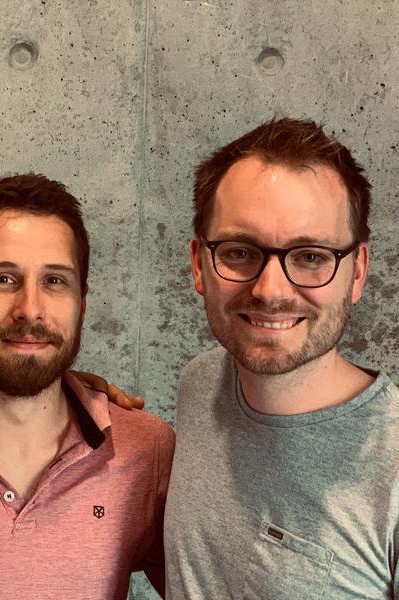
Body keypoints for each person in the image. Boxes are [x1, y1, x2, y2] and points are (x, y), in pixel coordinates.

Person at [0, 174, 175, 599]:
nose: (30, 309)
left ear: (82, 302)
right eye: (3, 279)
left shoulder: (146, 451)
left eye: (55, 281)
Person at [164, 118, 399, 597]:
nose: (271, 290)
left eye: (311, 256)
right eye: (239, 251)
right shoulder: (200, 383)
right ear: (197, 264)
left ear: (358, 272)